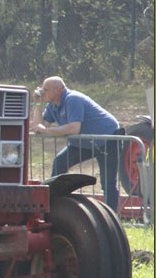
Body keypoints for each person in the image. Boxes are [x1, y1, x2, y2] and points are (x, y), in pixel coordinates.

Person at [31, 76, 124, 211]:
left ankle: (112, 216)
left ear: (59, 90)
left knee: (108, 182)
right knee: (60, 163)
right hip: (84, 143)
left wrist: (47, 130)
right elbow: (38, 127)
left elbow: (74, 128)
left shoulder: (72, 99)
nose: (42, 92)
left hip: (108, 140)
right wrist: (38, 103)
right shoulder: (52, 105)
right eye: (42, 89)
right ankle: (53, 207)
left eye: (46, 90)